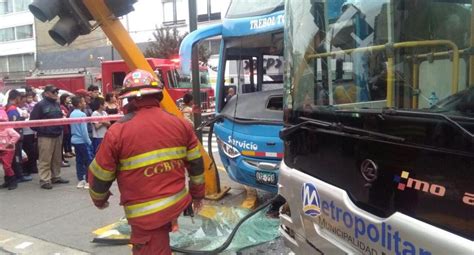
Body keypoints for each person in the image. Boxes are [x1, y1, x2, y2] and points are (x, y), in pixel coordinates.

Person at [88, 69, 205, 255]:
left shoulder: (118, 132)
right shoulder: (180, 123)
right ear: (158, 94)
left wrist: (99, 199)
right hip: (175, 203)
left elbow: (100, 173)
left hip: (146, 218)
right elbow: (197, 164)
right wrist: (197, 195)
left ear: (129, 99)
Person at [30, 85, 69, 190]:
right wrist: (44, 131)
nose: (56, 93)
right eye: (53, 92)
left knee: (57, 158)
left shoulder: (57, 104)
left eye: (57, 91)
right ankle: (45, 180)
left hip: (57, 134)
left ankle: (56, 176)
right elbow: (32, 123)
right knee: (45, 159)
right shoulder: (40, 105)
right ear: (46, 93)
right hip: (45, 137)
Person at [6, 90, 32, 182]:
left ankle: (17, 175)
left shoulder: (8, 107)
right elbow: (13, 123)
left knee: (15, 157)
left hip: (13, 137)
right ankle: (19, 176)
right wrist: (22, 118)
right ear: (17, 98)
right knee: (16, 157)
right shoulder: (12, 109)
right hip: (15, 137)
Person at [70, 96, 92, 189]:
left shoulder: (71, 114)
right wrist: (88, 141)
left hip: (75, 140)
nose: (85, 103)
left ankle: (81, 180)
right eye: (83, 102)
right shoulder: (82, 114)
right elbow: (84, 131)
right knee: (88, 161)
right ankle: (88, 180)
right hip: (82, 141)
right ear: (79, 104)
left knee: (79, 160)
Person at [0, 108, 20, 190]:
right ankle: (7, 181)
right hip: (1, 149)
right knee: (5, 166)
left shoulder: (8, 128)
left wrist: (11, 143)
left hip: (8, 150)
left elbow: (17, 135)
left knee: (7, 166)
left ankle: (13, 181)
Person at [19, 92, 38, 176]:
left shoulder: (31, 106)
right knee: (27, 151)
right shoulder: (18, 108)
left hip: (30, 132)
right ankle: (26, 169)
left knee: (32, 151)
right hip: (24, 133)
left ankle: (32, 168)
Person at [60, 94, 74, 159]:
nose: (69, 99)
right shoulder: (62, 106)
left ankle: (69, 150)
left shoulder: (68, 106)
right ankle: (66, 151)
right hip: (65, 125)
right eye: (67, 98)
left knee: (68, 138)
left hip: (68, 124)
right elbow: (66, 114)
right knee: (65, 139)